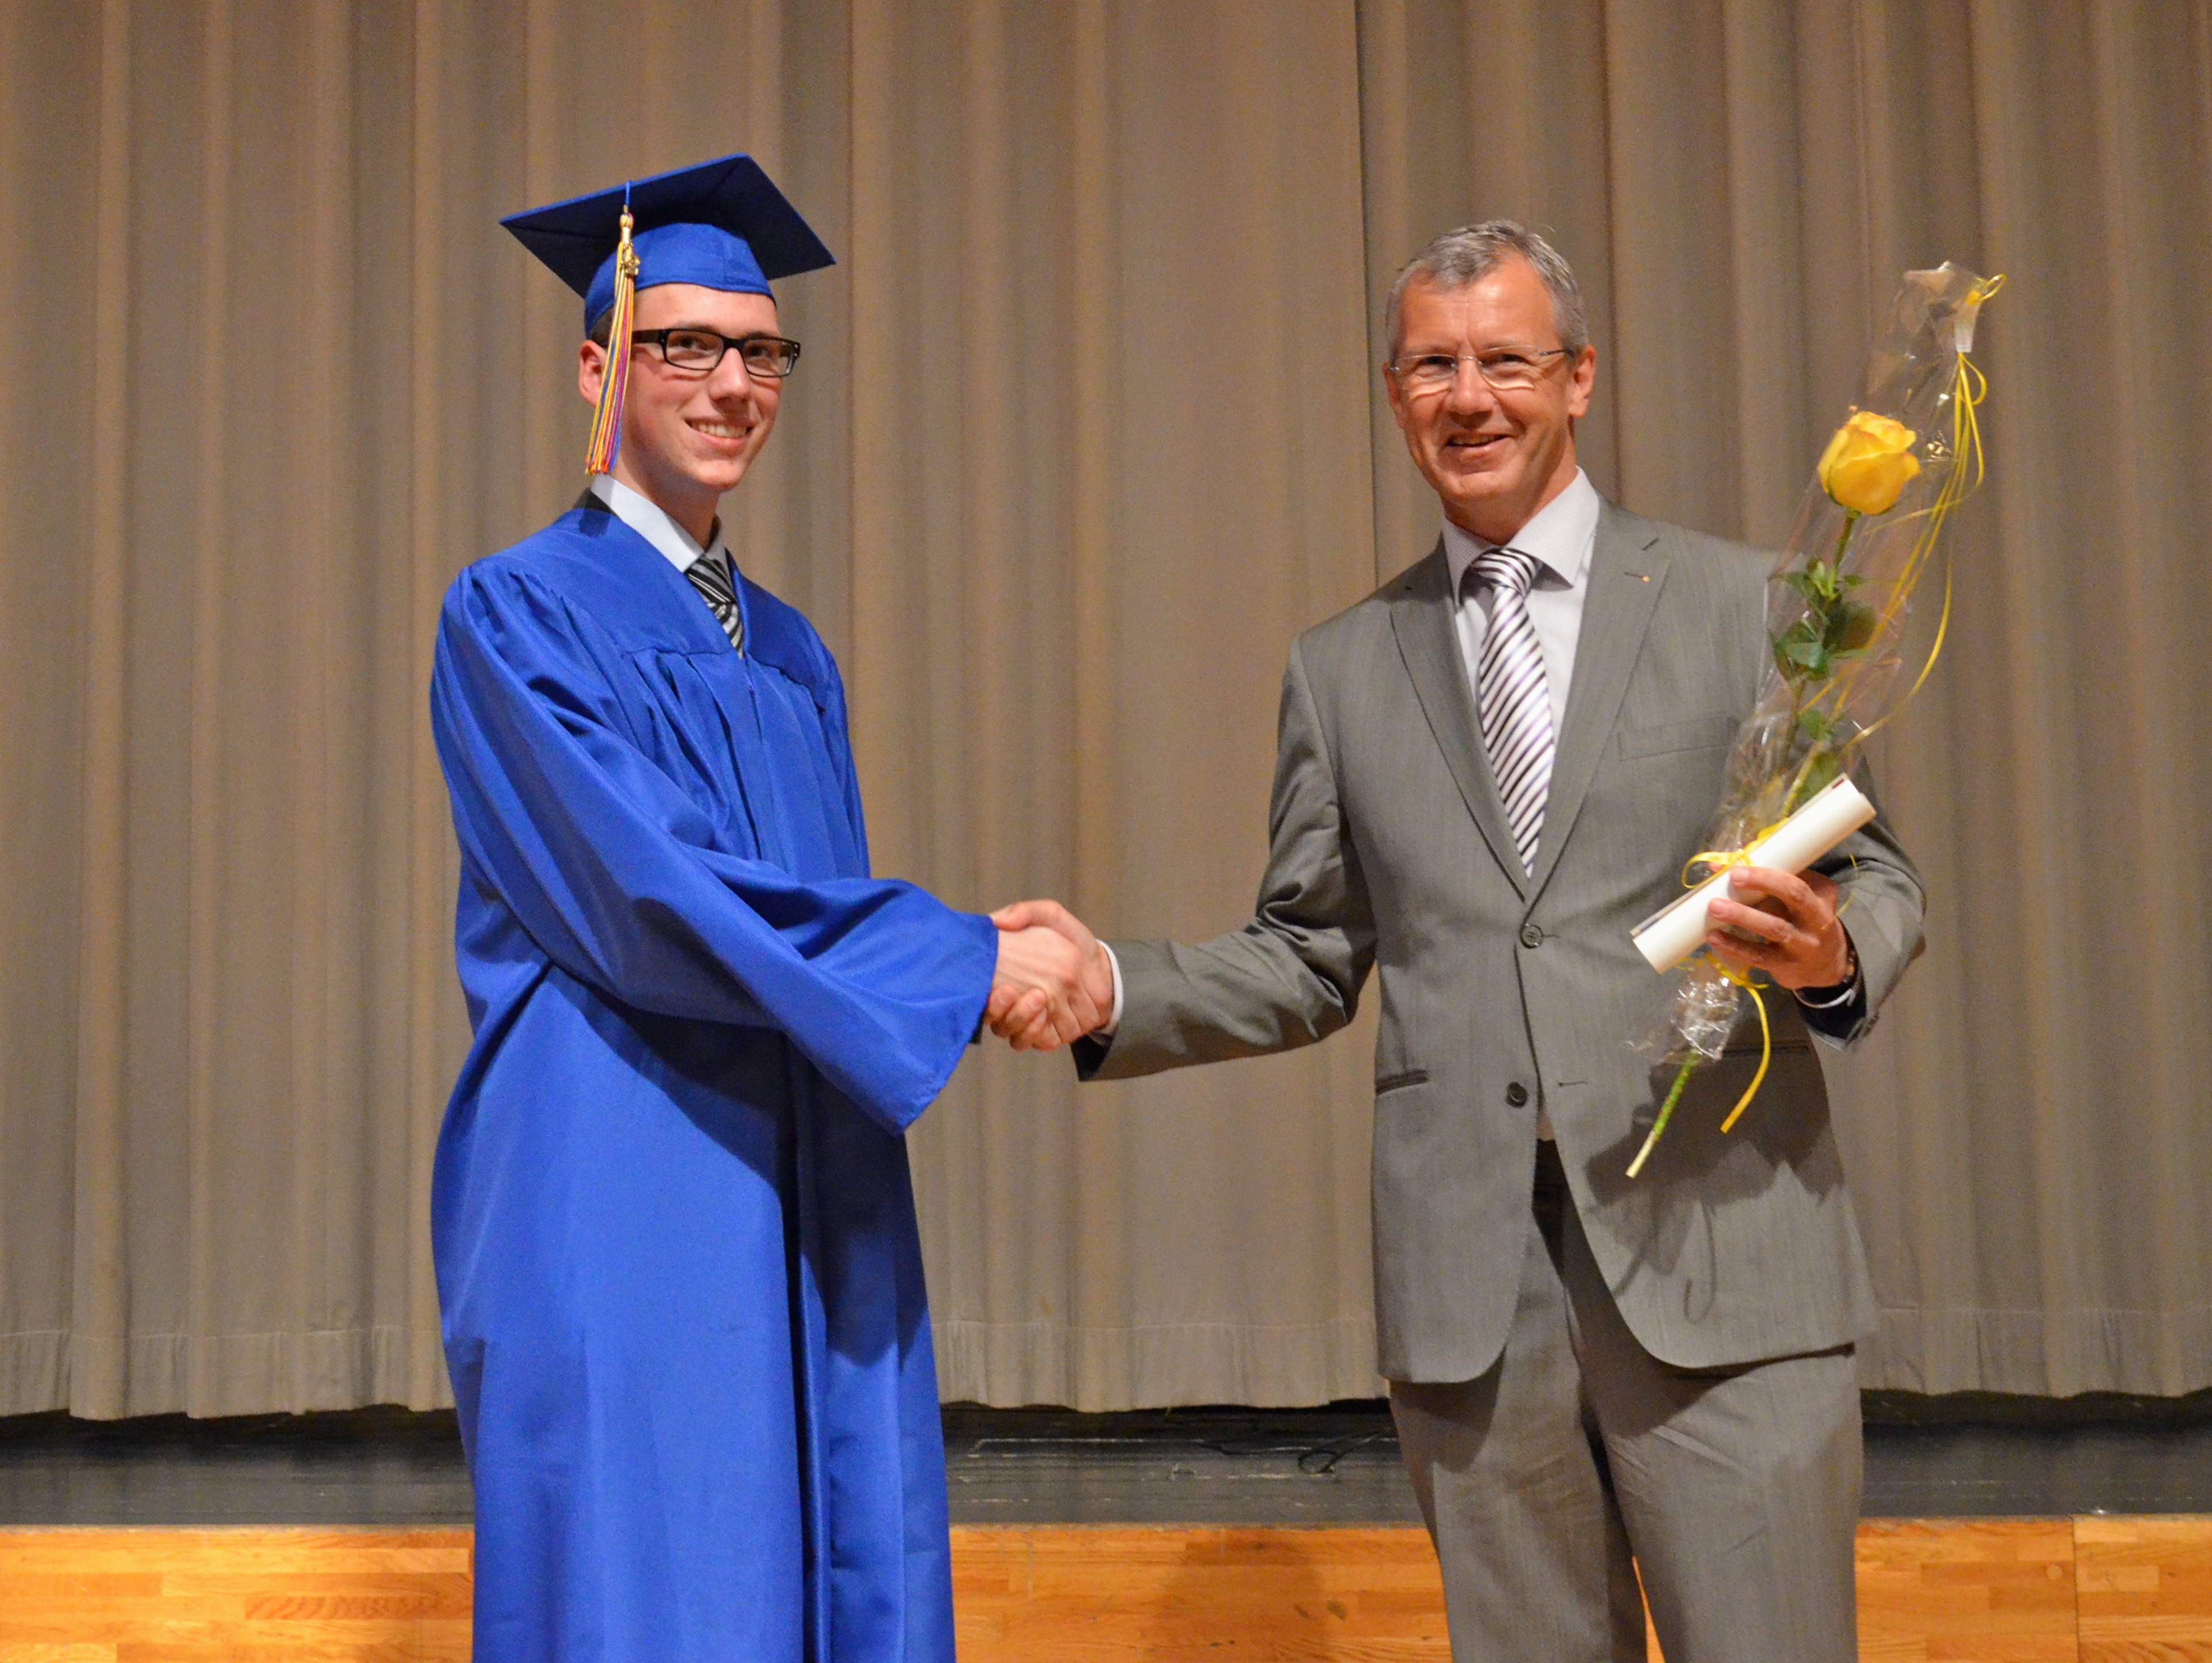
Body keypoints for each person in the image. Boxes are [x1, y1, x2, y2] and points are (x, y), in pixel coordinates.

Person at [996, 222, 1925, 1661]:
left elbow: (1874, 877)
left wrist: (1827, 955)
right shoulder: (1340, 668)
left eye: (1505, 360)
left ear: (1580, 377)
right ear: (1393, 394)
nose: (1468, 397)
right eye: (1433, 366)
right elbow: (1307, 955)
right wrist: (1110, 980)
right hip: (1473, 1297)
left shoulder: (1748, 605)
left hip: (1723, 1253)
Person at [428, 153, 1102, 1663]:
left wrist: (941, 969)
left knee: (824, 1560)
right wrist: (960, 961)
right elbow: (650, 888)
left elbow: (803, 904)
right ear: (597, 369)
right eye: (684, 346)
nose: (731, 384)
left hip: (805, 1174)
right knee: (652, 1586)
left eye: (760, 352)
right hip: (619, 1176)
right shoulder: (515, 611)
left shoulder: (789, 652)